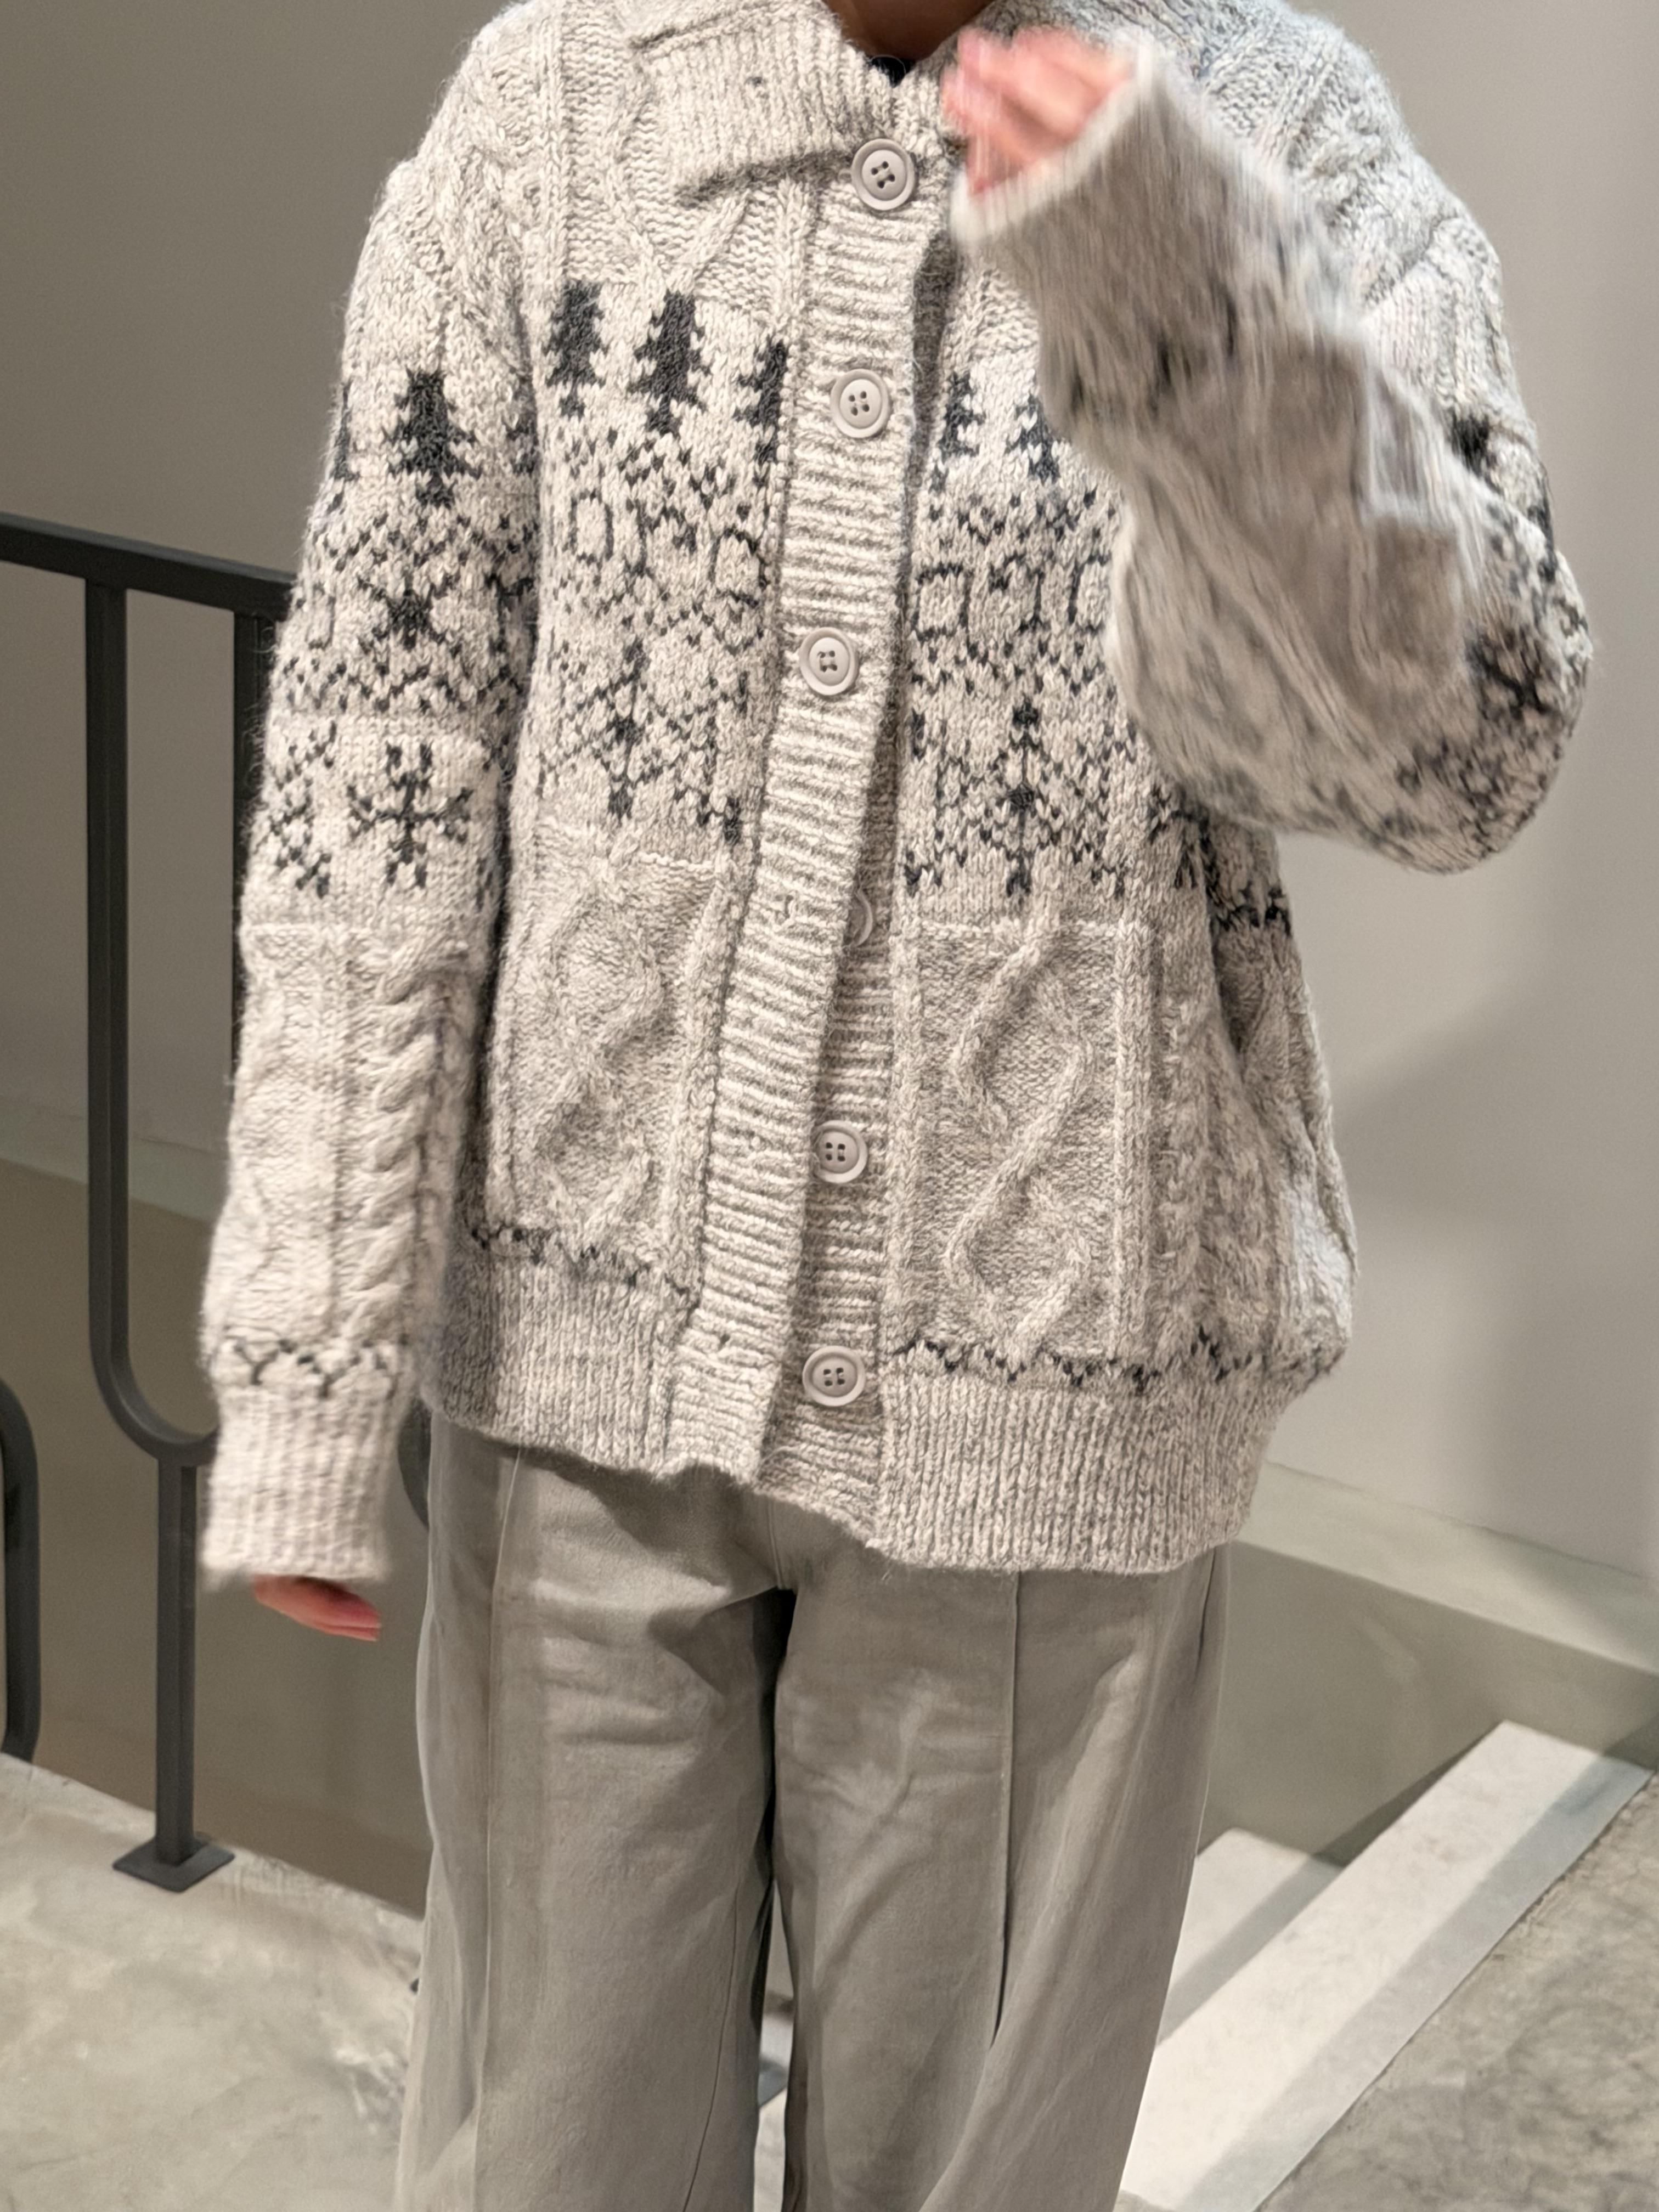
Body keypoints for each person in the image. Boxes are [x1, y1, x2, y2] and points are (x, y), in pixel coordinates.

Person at [194, 0, 1592, 2202]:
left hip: (1051, 1416)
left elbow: (1452, 757)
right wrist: (309, 1340)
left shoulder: (1270, 126)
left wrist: (1189, 308)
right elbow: (386, 748)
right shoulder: (560, 104)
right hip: (576, 1389)